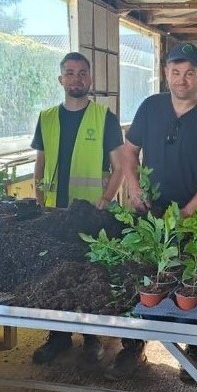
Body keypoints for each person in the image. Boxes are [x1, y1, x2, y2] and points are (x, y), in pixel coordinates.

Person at [104, 42, 197, 382]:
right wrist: (134, 186)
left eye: (189, 73)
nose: (182, 80)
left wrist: (189, 211)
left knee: (190, 280)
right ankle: (134, 345)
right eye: (175, 72)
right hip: (148, 212)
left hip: (192, 216)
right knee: (142, 275)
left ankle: (194, 349)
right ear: (166, 74)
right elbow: (130, 153)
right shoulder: (150, 107)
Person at [30, 52, 124, 365]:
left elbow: (120, 166)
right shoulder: (46, 118)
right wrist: (40, 200)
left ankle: (92, 338)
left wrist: (106, 199)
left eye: (82, 73)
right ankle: (57, 338)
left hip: (89, 216)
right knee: (55, 275)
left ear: (91, 79)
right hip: (56, 214)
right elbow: (40, 165)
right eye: (70, 73)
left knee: (89, 276)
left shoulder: (103, 117)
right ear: (61, 79)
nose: (76, 78)